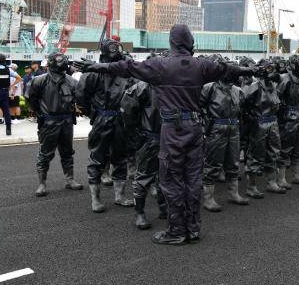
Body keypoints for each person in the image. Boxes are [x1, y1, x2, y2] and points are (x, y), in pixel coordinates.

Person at [74, 25, 256, 245]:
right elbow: (229, 70)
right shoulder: (202, 66)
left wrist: (97, 66)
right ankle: (192, 229)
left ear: (172, 43)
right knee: (192, 179)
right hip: (195, 128)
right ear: (191, 43)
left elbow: (126, 67)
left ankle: (177, 231)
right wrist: (250, 71)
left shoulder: (160, 65)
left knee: (171, 180)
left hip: (173, 129)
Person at [77, 40, 134, 213]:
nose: (115, 53)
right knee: (97, 158)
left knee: (121, 158)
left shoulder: (126, 72)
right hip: (103, 118)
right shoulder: (92, 73)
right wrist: (94, 114)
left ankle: (119, 196)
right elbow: (81, 97)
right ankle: (95, 199)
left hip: (121, 120)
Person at [25, 52, 83, 197]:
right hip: (49, 121)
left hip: (66, 122)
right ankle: (42, 183)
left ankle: (70, 179)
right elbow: (31, 99)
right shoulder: (39, 81)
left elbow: (79, 99)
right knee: (45, 153)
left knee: (67, 152)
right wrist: (40, 114)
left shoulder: (72, 82)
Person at [200, 57, 250, 211]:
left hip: (233, 128)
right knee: (213, 163)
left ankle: (233, 193)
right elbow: (200, 106)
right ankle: (208, 198)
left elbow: (242, 111)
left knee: (234, 161)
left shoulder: (237, 90)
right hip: (216, 128)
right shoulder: (210, 87)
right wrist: (205, 126)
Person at [121, 70, 169, 229]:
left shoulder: (174, 86)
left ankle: (165, 208)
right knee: (144, 176)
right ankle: (140, 213)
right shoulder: (141, 88)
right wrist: (137, 135)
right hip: (150, 137)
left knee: (168, 175)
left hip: (170, 138)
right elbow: (127, 113)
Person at [243, 58, 284, 196]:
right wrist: (250, 117)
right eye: (267, 68)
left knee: (273, 152)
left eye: (272, 68)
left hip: (273, 122)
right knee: (255, 153)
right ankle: (251, 186)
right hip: (259, 122)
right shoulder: (254, 86)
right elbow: (243, 102)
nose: (270, 71)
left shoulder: (272, 84)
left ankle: (271, 182)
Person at [277, 54, 299, 187]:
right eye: (298, 62)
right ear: (291, 64)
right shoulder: (284, 78)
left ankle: (297, 175)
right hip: (288, 116)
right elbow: (277, 97)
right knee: (285, 147)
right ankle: (281, 178)